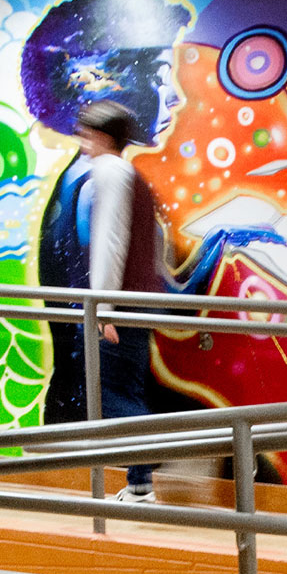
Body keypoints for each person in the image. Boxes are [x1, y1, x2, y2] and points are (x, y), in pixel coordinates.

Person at [38, 101, 167, 502]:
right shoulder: (131, 176)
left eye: (86, 133)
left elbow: (109, 243)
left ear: (103, 137)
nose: (82, 141)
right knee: (125, 390)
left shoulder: (109, 172)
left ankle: (152, 472)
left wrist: (102, 309)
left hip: (117, 305)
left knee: (109, 392)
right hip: (136, 303)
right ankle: (140, 483)